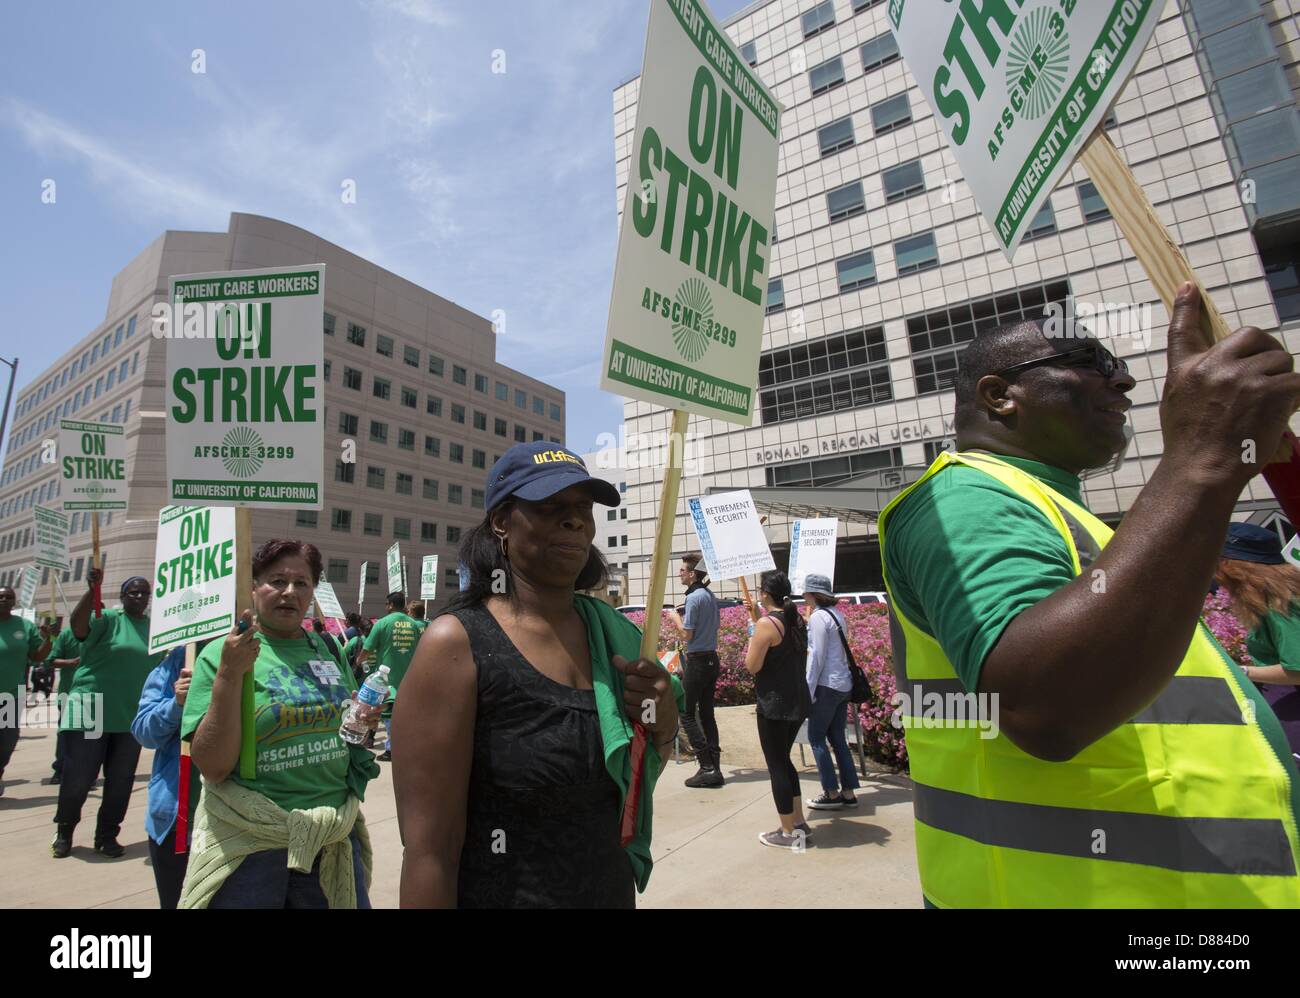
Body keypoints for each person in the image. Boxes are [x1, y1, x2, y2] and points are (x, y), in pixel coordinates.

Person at [878, 284, 1300, 907]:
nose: (1126, 381)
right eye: (1092, 364)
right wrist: (1203, 459)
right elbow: (1045, 708)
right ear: (999, 396)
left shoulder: (1073, 516)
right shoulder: (967, 497)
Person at [395, 441, 683, 908]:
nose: (574, 521)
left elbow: (633, 775)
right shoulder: (456, 644)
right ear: (501, 522)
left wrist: (663, 719)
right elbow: (430, 849)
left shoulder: (616, 640)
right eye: (550, 506)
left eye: (582, 509)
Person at [180, 539, 380, 909]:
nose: (289, 592)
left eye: (301, 583)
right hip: (254, 849)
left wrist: (364, 721)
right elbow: (213, 765)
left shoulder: (328, 648)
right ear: (254, 587)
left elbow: (354, 732)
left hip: (331, 836)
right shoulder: (221, 654)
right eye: (276, 581)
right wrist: (228, 674)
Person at [54, 572, 163, 858]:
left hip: (130, 714)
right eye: (133, 592)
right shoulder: (107, 619)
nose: (138, 597)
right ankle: (64, 831)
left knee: (121, 781)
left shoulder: (155, 630)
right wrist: (92, 591)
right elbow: (78, 628)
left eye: (144, 593)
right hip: (92, 708)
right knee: (79, 776)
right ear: (122, 596)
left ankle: (107, 835)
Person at [1216, 522, 1300, 759]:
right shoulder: (1275, 596)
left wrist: (1242, 671)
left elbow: (1297, 670)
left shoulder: (1281, 603)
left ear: (1230, 565)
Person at [743, 570, 812, 849]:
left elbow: (752, 665)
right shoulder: (797, 619)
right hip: (798, 700)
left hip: (774, 704)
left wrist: (754, 630)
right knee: (784, 761)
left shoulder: (766, 625)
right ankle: (799, 822)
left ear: (764, 594)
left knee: (777, 766)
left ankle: (787, 832)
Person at [132, 643, 203, 908]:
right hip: (178, 821)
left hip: (238, 823)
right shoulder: (180, 661)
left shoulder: (259, 655)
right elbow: (144, 731)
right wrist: (177, 705)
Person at [801, 574, 861, 810]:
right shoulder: (838, 615)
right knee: (838, 739)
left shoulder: (818, 618)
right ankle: (848, 792)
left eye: (806, 592)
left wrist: (808, 689)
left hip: (826, 685)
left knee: (816, 738)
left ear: (813, 594)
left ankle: (831, 792)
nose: (804, 596)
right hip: (843, 684)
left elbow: (816, 656)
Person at [0, 585, 52, 797]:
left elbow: (38, 657)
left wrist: (49, 639)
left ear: (14, 601)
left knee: (8, 741)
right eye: (1, 597)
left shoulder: (25, 626)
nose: (4, 600)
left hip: (11, 696)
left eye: (8, 597)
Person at [677, 552, 723, 788]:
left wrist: (674, 618)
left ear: (693, 573)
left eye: (683, 570)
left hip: (697, 661)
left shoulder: (694, 598)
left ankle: (706, 765)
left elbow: (687, 634)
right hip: (711, 659)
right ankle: (715, 766)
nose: (680, 573)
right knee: (706, 713)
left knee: (686, 713)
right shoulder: (709, 595)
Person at [357, 592, 420, 762]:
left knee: (386, 715)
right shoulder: (413, 624)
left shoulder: (382, 623)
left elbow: (367, 648)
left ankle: (391, 749)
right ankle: (402, 747)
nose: (386, 607)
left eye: (387, 604)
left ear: (391, 605)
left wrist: (359, 660)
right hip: (408, 678)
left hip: (386, 681)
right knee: (402, 715)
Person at [42, 621, 82, 786]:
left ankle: (86, 772)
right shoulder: (67, 635)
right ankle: (60, 769)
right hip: (70, 692)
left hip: (97, 695)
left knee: (91, 736)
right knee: (67, 734)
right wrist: (72, 662)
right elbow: (50, 661)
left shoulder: (106, 635)